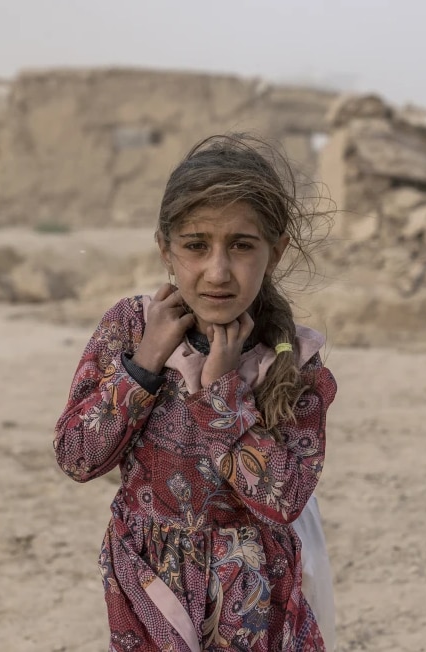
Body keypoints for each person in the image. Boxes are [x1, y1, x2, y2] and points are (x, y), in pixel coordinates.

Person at [54, 134, 338, 651]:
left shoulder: (292, 361)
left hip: (253, 594)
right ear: (165, 248)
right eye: (195, 245)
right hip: (147, 579)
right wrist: (143, 366)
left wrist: (222, 398)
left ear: (275, 253)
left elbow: (285, 499)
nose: (218, 271)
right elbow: (77, 457)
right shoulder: (131, 330)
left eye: (242, 246)